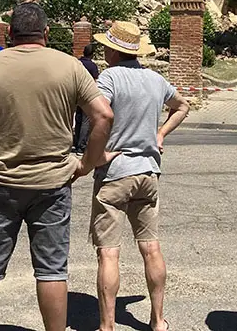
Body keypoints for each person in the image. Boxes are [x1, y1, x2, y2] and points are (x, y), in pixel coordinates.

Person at [0, 2, 114, 331]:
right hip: (52, 184)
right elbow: (104, 115)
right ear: (46, 33)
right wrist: (86, 163)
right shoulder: (69, 67)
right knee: (52, 271)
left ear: (10, 35)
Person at [85, 21, 190, 331]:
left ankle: (107, 325)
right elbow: (182, 106)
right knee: (151, 247)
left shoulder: (109, 78)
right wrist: (160, 134)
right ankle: (158, 320)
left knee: (108, 253)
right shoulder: (156, 80)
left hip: (115, 172)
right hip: (148, 172)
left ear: (113, 50)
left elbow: (97, 117)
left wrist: (96, 157)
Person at [74, 43, 100, 151]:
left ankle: (76, 141)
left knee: (78, 118)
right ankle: (82, 145)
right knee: (86, 120)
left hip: (76, 93)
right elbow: (95, 80)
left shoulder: (77, 63)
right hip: (87, 94)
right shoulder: (92, 66)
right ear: (92, 54)